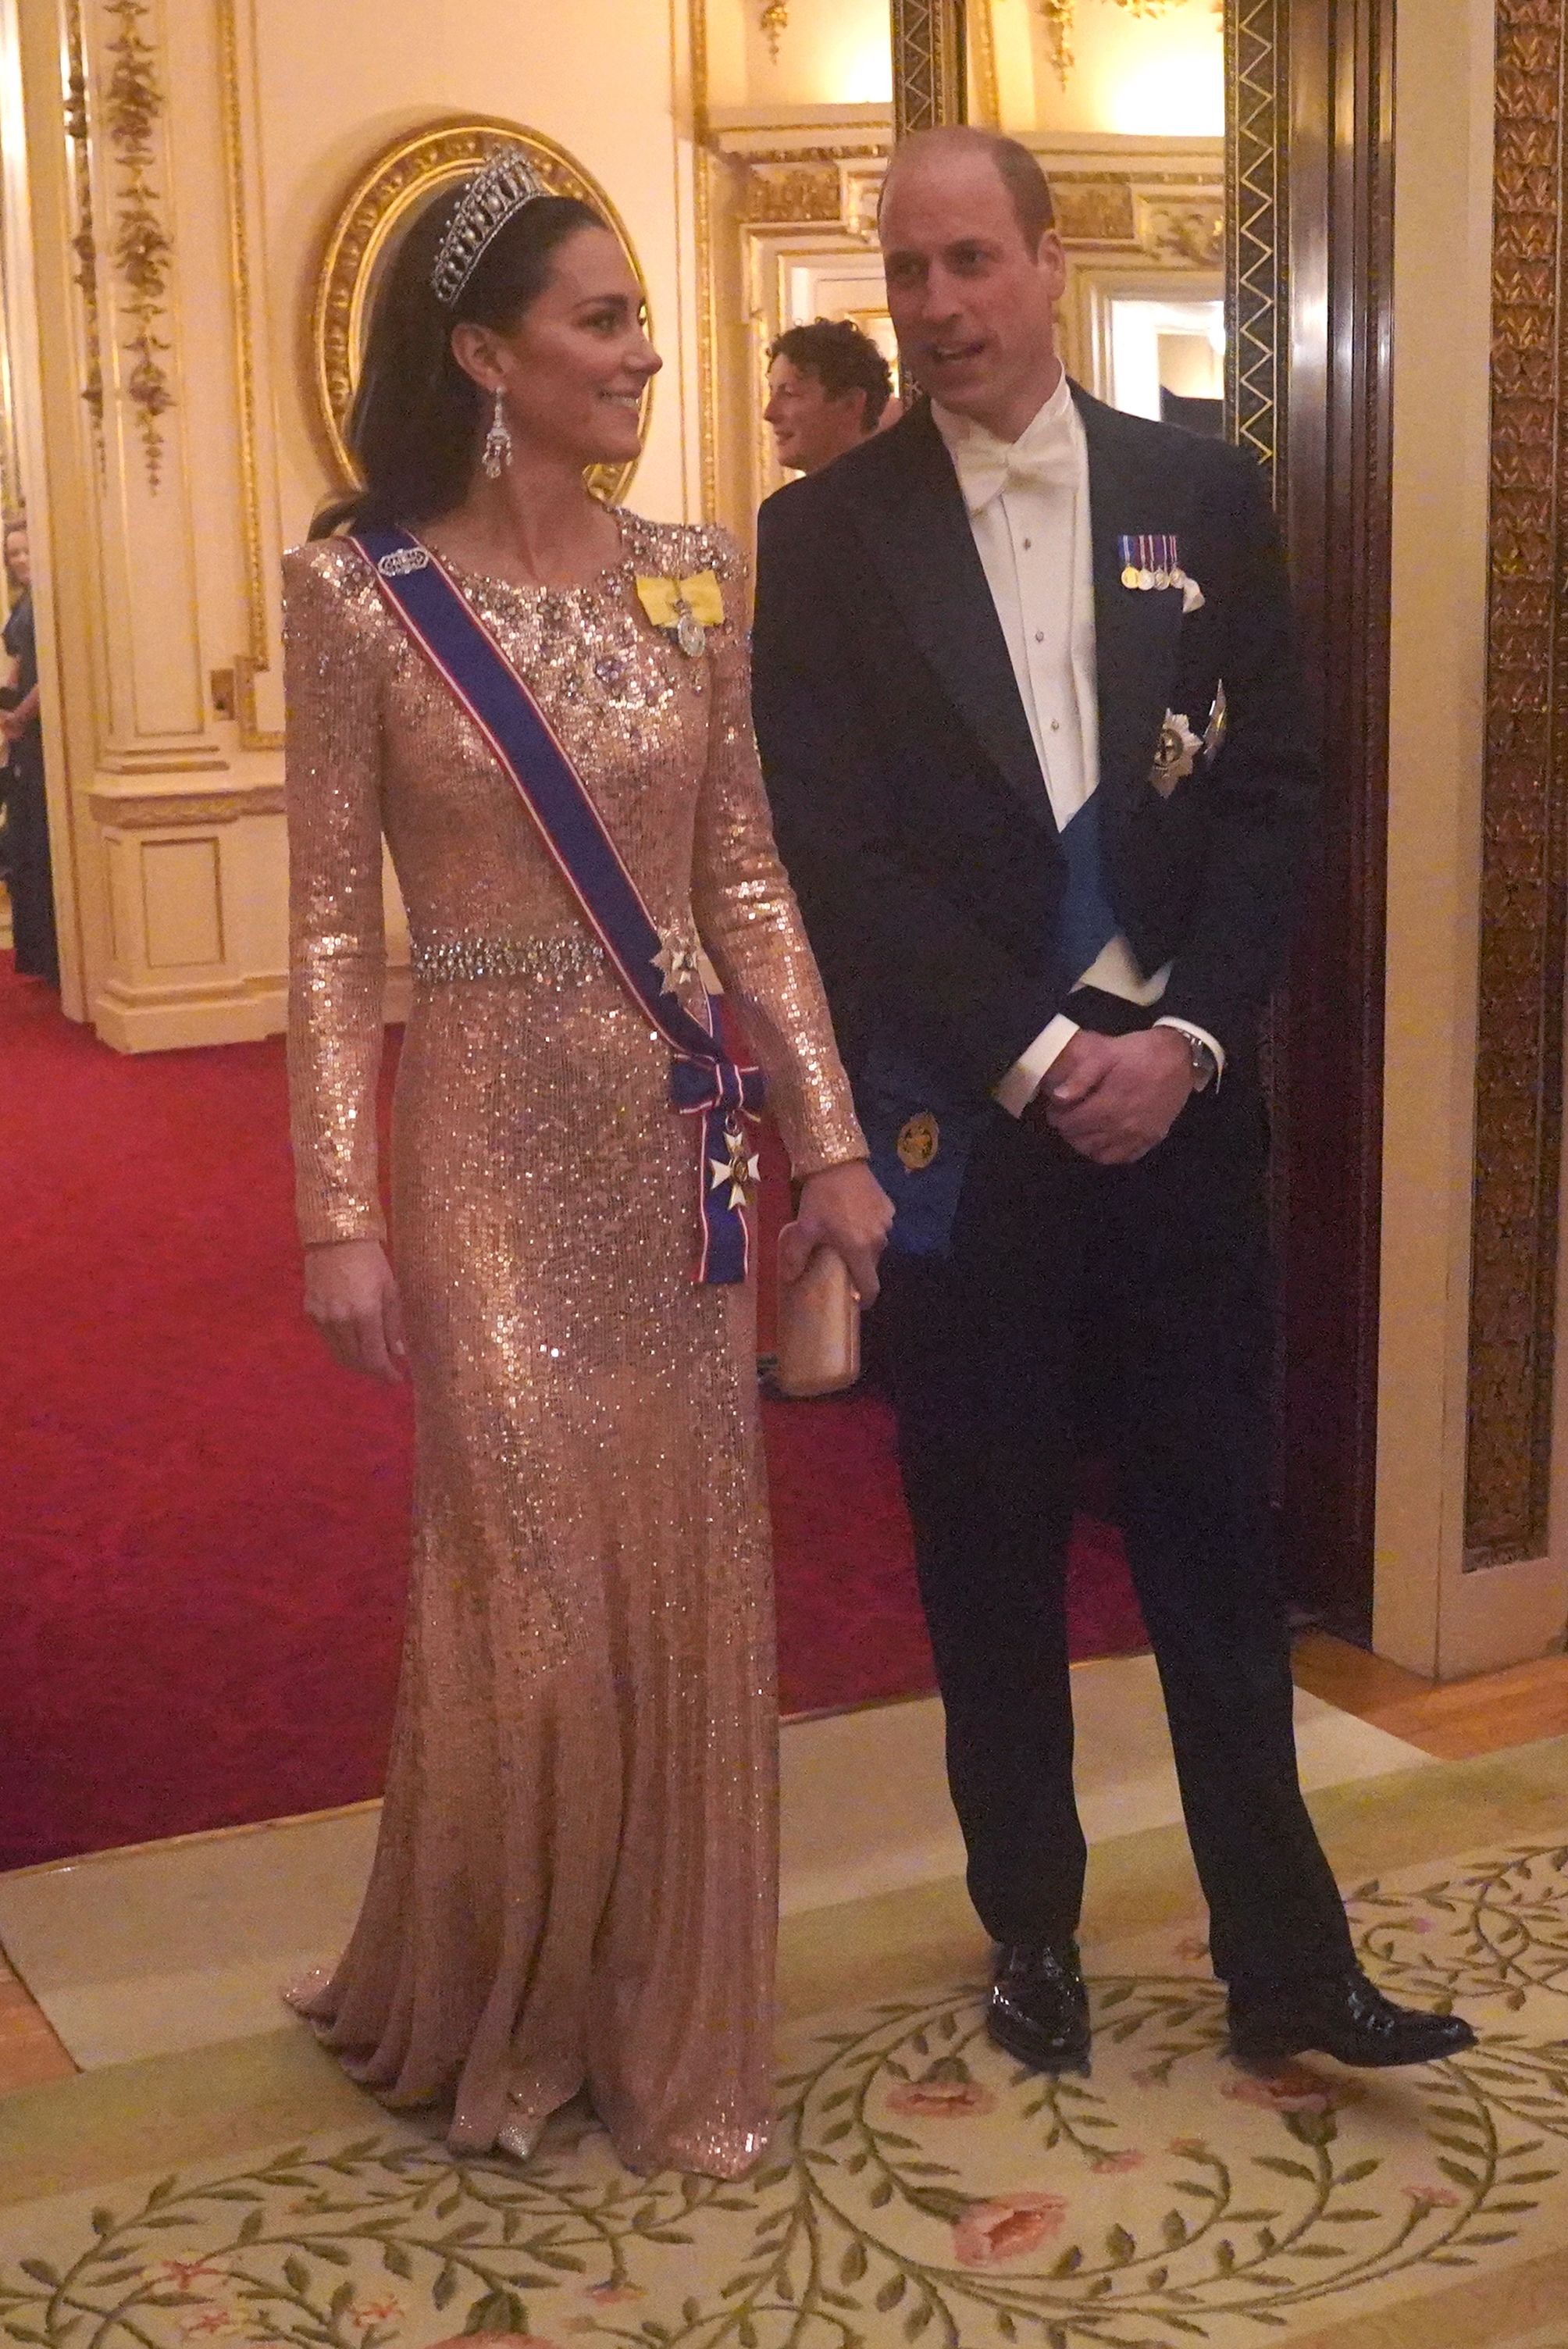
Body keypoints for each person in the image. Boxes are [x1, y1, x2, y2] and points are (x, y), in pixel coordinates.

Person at [751, 127, 1474, 2082]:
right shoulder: (821, 536)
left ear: (1047, 264)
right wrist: (1036, 1050)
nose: (933, 307)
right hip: (976, 1141)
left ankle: (1282, 1956)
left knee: (1211, 1555)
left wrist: (1187, 1040)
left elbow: (1271, 790)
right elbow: (838, 858)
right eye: (903, 271)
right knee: (982, 1559)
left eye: (968, 261)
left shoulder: (1196, 486)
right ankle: (1034, 1933)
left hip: (1179, 1124)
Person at [283, 152, 889, 2176]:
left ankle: (659, 2011)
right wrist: (338, 1208)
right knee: (532, 1605)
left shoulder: (694, 571)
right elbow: (323, 936)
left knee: (683, 1581)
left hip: (672, 1147)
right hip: (476, 1143)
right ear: (484, 354)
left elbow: (746, 880)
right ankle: (499, 2001)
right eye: (603, 319)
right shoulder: (360, 592)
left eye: (638, 319)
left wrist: (828, 1134)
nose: (644, 352)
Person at [1, 516, 58, 986]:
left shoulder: (51, 602)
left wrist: (20, 717)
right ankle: (37, 953)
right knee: (23, 843)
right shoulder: (25, 604)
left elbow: (51, 672)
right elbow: (19, 672)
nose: (19, 560)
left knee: (38, 840)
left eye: (26, 551)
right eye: (12, 553)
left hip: (44, 734)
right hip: (24, 730)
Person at [764, 316, 893, 475]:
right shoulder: (792, 499)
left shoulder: (903, 495)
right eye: (772, 393)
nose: (769, 414)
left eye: (790, 393)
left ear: (850, 404)